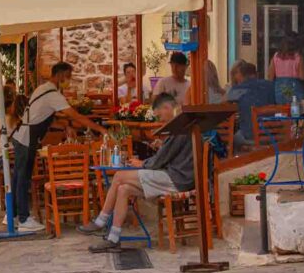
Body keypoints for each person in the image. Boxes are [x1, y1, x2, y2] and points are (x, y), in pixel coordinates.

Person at [76, 93, 194, 252]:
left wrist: (142, 163)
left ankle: (101, 221)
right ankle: (113, 238)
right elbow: (172, 153)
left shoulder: (179, 124)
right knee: (123, 189)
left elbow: (161, 160)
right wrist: (161, 147)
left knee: (119, 176)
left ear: (167, 108)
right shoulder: (181, 124)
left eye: (160, 116)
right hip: (176, 176)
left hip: (176, 178)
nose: (161, 121)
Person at [11, 62, 108, 232]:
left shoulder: (42, 89)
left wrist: (64, 126)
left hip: (21, 135)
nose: (69, 81)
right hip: (26, 138)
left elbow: (46, 116)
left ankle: (12, 215)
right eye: (68, 77)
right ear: (61, 75)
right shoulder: (53, 94)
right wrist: (101, 129)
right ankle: (24, 220)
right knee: (23, 178)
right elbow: (77, 116)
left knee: (18, 177)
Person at [267, 34, 304, 105]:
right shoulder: (298, 57)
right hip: (295, 90)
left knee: (282, 111)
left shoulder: (276, 56)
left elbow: (270, 77)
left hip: (279, 90)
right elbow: (302, 77)